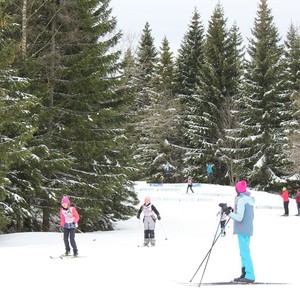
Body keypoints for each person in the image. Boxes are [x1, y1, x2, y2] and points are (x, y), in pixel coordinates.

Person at [219, 180, 255, 283]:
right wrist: (231, 210)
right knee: (243, 252)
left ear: (238, 189)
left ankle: (250, 275)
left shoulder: (242, 200)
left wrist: (227, 212)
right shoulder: (247, 199)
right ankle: (244, 273)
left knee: (245, 253)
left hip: (243, 229)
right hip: (246, 229)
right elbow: (243, 214)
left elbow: (239, 218)